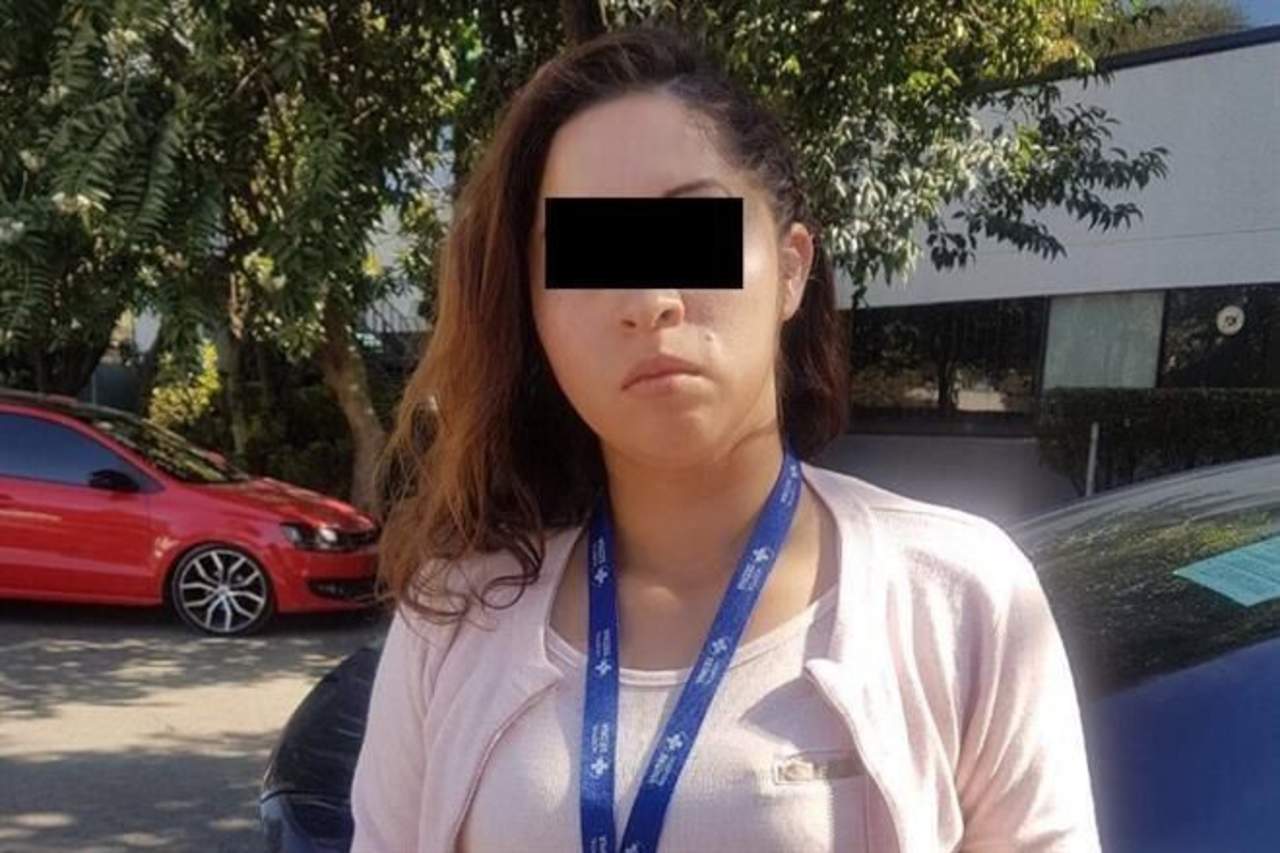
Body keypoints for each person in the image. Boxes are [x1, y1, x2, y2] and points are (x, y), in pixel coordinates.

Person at [350, 24, 1100, 853]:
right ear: (534, 314)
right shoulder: (456, 615)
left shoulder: (959, 597)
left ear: (791, 267)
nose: (648, 299)